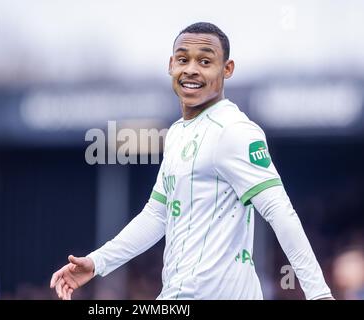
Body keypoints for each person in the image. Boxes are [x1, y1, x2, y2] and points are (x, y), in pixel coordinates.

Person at [50, 22, 333, 300]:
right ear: (171, 64)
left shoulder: (233, 131)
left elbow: (280, 212)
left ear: (227, 69)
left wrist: (319, 294)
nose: (191, 69)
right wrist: (98, 262)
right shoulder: (176, 133)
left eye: (205, 61)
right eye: (183, 59)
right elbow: (156, 215)